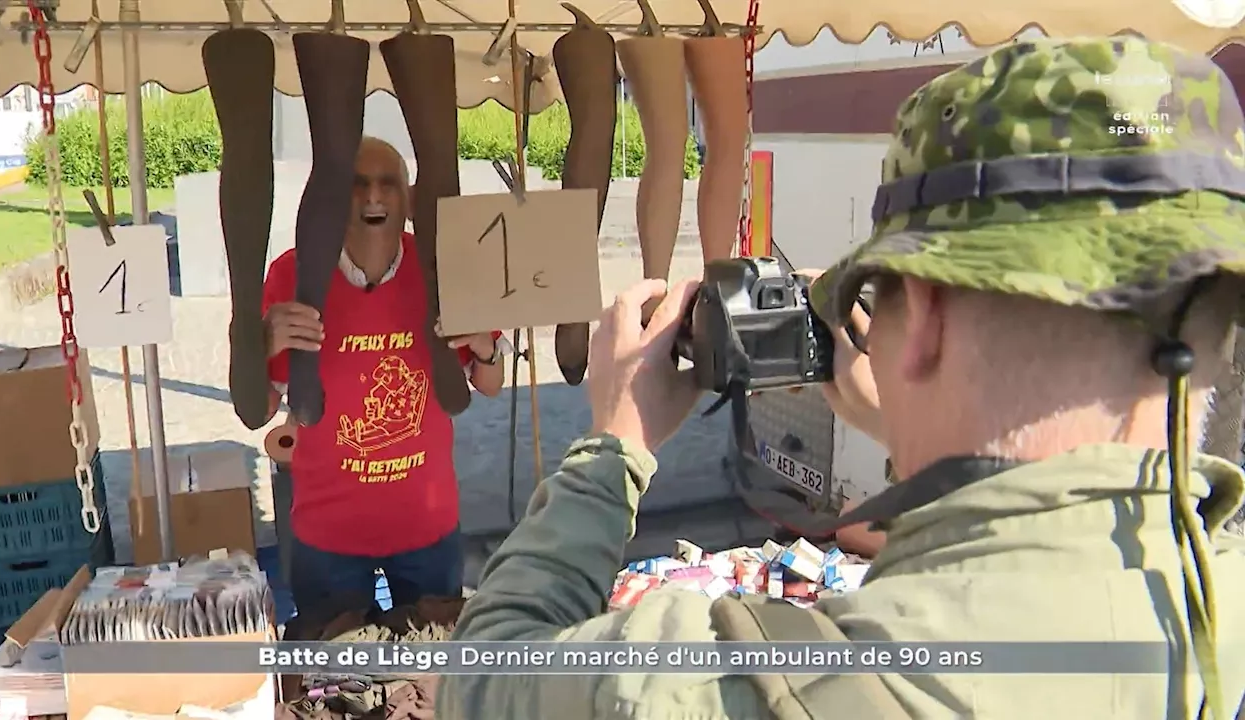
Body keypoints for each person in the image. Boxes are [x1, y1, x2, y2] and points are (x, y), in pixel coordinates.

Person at [439, 37, 1245, 719]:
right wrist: (914, 420)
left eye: (872, 302)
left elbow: (484, 677)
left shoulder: (765, 686)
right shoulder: (1218, 601)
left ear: (923, 316)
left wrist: (613, 447)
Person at [262, 136, 507, 617]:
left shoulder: (444, 268)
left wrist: (484, 343)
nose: (373, 197)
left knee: (430, 677)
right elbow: (261, 409)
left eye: (387, 184)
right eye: (357, 185)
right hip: (325, 532)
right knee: (332, 681)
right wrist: (259, 346)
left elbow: (490, 382)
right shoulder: (292, 275)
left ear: (410, 198)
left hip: (427, 528)